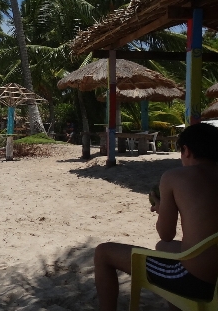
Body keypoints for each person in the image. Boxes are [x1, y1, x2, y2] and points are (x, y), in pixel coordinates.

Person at [93, 122, 218, 311]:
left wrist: (161, 208)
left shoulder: (175, 176)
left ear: (186, 150)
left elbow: (166, 233)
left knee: (103, 252)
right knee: (163, 248)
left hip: (197, 283)